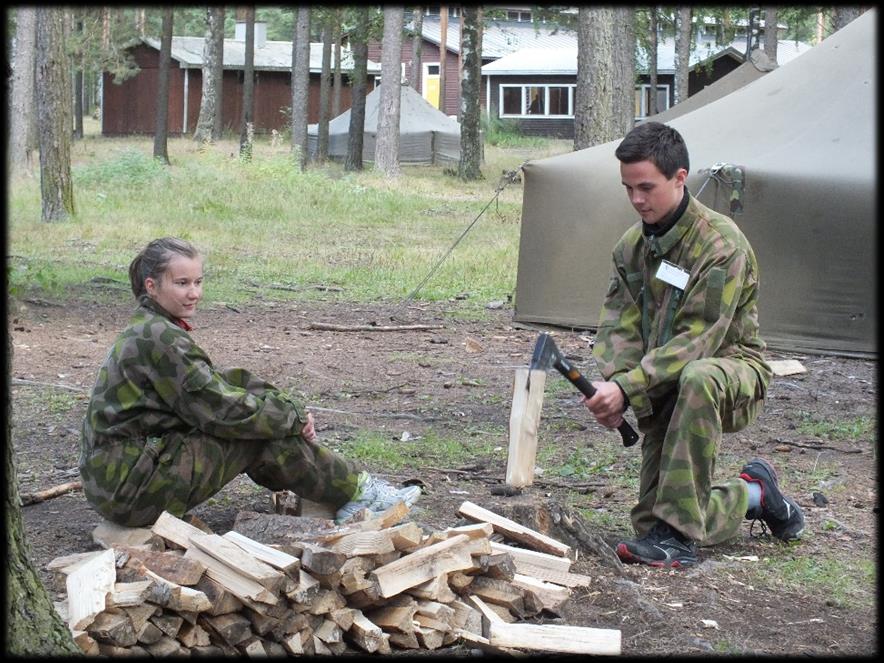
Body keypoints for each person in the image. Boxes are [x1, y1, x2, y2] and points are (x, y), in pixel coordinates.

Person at [79, 237, 420, 528]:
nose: (194, 293)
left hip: (121, 479)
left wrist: (286, 408)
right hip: (127, 490)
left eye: (198, 282)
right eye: (181, 283)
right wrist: (291, 418)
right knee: (255, 435)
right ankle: (357, 493)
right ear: (152, 287)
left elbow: (220, 384)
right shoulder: (158, 338)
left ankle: (353, 489)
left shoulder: (153, 329)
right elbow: (222, 412)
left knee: (252, 407)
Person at [582, 122, 804, 568]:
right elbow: (618, 329)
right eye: (628, 188)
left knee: (698, 377)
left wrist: (628, 387)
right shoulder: (631, 249)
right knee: (650, 523)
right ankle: (753, 494)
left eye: (647, 187)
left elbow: (699, 341)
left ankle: (679, 541)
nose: (637, 199)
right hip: (665, 380)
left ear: (680, 177)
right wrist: (615, 385)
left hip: (730, 371)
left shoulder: (721, 246)